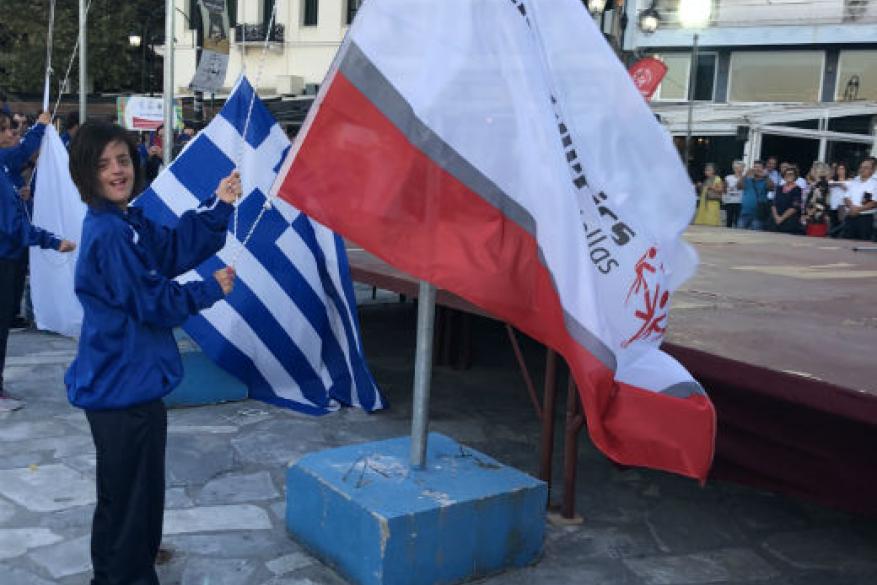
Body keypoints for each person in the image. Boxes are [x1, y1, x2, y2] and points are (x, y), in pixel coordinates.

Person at [65, 122, 240, 585]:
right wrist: (208, 290)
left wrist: (220, 204)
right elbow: (153, 302)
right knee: (127, 500)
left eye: (122, 159)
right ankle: (123, 576)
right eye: (103, 165)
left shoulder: (127, 221)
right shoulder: (108, 234)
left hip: (134, 382)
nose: (117, 171)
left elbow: (170, 249)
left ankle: (129, 565)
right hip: (119, 388)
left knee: (137, 495)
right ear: (86, 174)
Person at [0, 117, 75, 411]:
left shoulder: (5, 169)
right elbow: (11, 227)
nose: (12, 135)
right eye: (5, 130)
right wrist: (54, 241)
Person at [842, 156, 877, 241]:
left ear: (872, 170)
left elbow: (874, 203)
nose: (862, 169)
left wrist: (858, 209)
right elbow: (846, 197)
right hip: (850, 217)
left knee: (863, 244)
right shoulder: (855, 181)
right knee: (846, 244)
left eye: (866, 168)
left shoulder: (875, 183)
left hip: (865, 219)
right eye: (861, 167)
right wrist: (852, 208)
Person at [770, 167, 804, 234]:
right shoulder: (779, 188)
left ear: (795, 176)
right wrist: (776, 217)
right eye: (786, 174)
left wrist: (781, 219)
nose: (788, 176)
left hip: (789, 221)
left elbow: (794, 207)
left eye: (791, 174)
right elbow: (773, 204)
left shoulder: (797, 189)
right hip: (775, 220)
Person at [740, 160, 769, 230]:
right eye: (755, 167)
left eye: (759, 167)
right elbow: (739, 186)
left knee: (755, 237)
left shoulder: (766, 180)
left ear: (763, 169)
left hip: (758, 215)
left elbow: (772, 187)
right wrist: (745, 174)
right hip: (745, 213)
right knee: (739, 235)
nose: (757, 169)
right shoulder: (748, 179)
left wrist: (765, 176)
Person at [828, 162, 851, 234]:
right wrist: (839, 183)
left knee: (842, 225)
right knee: (833, 223)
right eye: (839, 169)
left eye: (842, 169)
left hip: (843, 206)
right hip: (833, 206)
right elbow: (830, 184)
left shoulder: (850, 181)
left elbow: (849, 190)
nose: (841, 171)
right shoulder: (832, 180)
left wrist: (842, 185)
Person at [723, 160, 744, 228]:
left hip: (740, 202)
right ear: (733, 168)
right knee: (729, 220)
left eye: (741, 167)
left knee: (738, 221)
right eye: (736, 168)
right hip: (730, 202)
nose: (738, 169)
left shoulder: (745, 178)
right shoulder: (728, 177)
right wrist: (724, 199)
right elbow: (724, 189)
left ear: (743, 168)